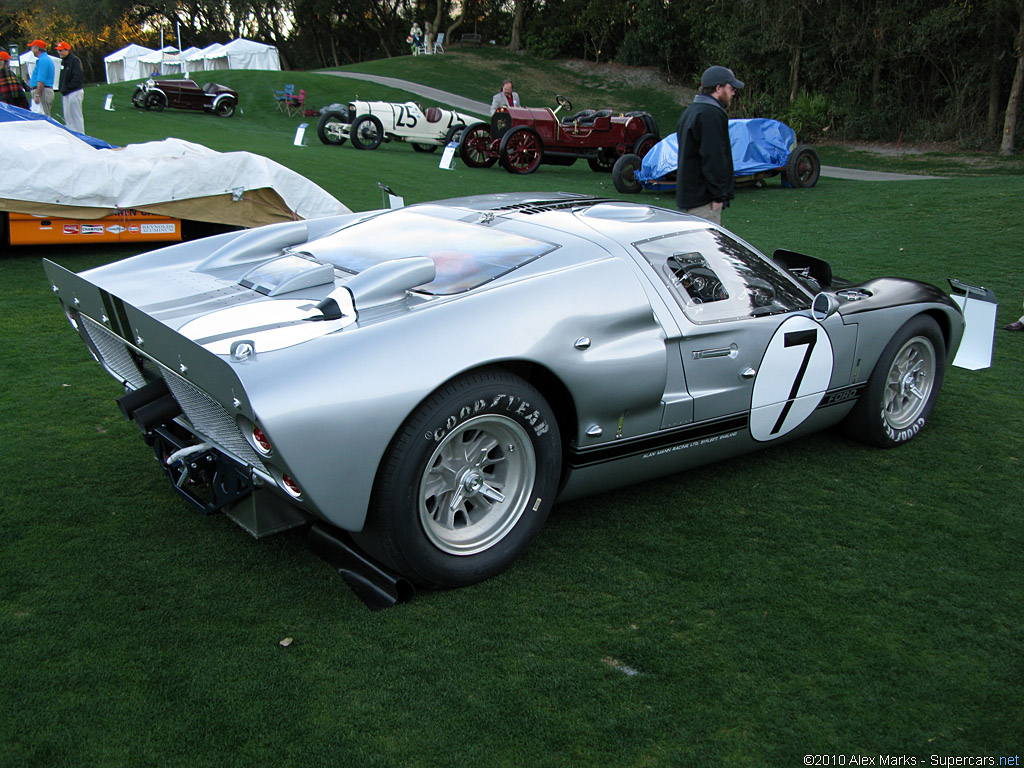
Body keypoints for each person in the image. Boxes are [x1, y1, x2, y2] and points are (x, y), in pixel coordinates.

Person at [675, 65, 744, 226]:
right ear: (718, 88)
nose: (734, 92)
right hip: (704, 200)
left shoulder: (692, 111)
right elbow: (713, 157)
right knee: (704, 247)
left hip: (693, 197)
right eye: (731, 87)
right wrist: (718, 196)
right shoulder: (710, 114)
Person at [55, 41, 84, 133]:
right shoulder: (64, 61)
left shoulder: (74, 60)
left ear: (67, 50)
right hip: (66, 93)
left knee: (76, 115)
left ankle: (81, 135)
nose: (59, 52)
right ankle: (71, 134)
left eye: (61, 50)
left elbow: (77, 76)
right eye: (58, 51)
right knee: (68, 116)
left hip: (74, 91)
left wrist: (69, 87)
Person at [27, 39, 55, 116]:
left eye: (32, 48)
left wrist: (37, 95)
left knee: (42, 117)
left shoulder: (43, 60)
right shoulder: (45, 59)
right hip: (43, 90)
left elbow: (41, 80)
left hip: (42, 91)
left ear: (37, 48)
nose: (31, 50)